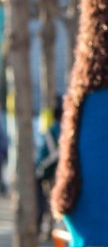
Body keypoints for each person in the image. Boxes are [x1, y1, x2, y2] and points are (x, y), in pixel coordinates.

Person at [35, 97, 63, 237]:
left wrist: (41, 169)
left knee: (48, 202)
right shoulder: (66, 130)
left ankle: (50, 230)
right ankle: (52, 229)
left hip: (50, 171)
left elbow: (48, 154)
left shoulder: (52, 131)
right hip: (61, 171)